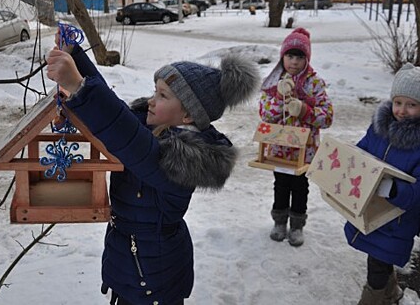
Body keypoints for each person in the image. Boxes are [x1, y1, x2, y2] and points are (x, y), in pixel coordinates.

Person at [46, 34, 260, 304]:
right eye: (154, 91)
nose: (151, 100)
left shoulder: (184, 162)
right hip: (129, 263)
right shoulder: (151, 129)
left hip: (153, 279)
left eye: (162, 95)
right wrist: (76, 56)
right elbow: (117, 114)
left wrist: (79, 87)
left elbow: (130, 141)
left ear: (188, 116)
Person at [345, 63, 420, 304]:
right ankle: (391, 292)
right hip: (369, 209)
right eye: (398, 102)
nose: (401, 110)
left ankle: (373, 299)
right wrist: (345, 163)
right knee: (378, 258)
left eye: (411, 105)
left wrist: (394, 189)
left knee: (377, 265)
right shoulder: (379, 129)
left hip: (395, 220)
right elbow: (362, 153)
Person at [259, 27, 333, 246]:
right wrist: (279, 99)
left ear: (307, 59)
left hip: (305, 150)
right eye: (290, 56)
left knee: (300, 187)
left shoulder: (315, 84)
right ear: (283, 56)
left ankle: (297, 225)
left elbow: (327, 117)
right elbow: (265, 115)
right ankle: (279, 221)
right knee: (281, 184)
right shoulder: (273, 83)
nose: (294, 62)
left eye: (299, 57)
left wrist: (304, 110)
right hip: (279, 149)